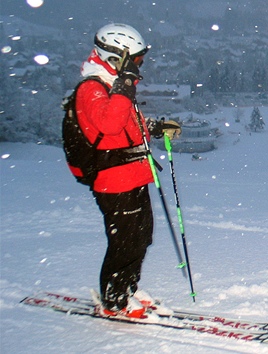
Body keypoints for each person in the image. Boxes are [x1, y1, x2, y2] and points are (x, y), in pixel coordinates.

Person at [75, 23, 180, 318]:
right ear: (114, 58)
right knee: (125, 240)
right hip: (113, 179)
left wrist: (156, 128)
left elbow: (125, 127)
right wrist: (124, 83)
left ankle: (127, 289)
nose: (138, 66)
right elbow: (108, 123)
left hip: (132, 173)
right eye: (134, 60)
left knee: (141, 236)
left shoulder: (112, 86)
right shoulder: (91, 88)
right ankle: (114, 300)